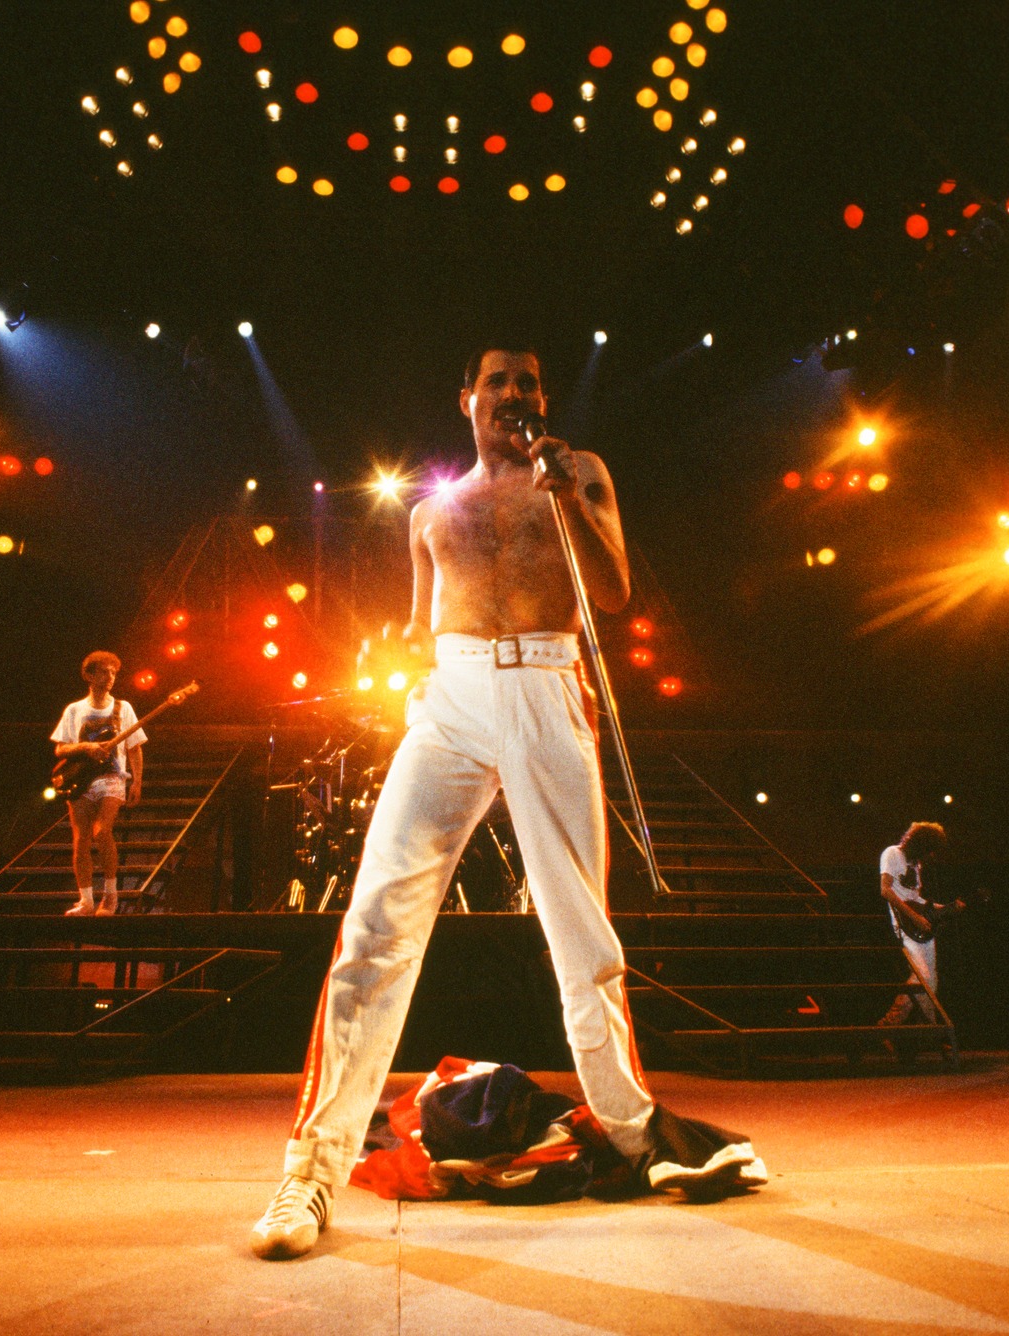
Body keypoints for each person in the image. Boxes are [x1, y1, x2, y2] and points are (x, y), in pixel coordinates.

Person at [250, 347, 761, 1261]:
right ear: (468, 401)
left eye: (529, 382)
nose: (516, 394)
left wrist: (569, 497)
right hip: (450, 696)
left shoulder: (580, 473)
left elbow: (613, 590)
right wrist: (406, 671)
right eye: (500, 382)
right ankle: (311, 1171)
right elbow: (420, 624)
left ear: (542, 399)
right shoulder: (429, 512)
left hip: (545, 681)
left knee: (581, 932)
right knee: (375, 926)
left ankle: (635, 1133)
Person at [51, 651, 145, 917]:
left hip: (112, 777)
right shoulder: (75, 710)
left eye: (114, 672)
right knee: (80, 839)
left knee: (102, 831)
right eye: (104, 671)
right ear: (89, 675)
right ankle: (86, 900)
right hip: (82, 779)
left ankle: (111, 895)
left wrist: (137, 782)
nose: (110, 677)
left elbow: (135, 747)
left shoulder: (123, 708)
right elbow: (61, 749)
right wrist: (87, 747)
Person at [877, 821, 952, 1027]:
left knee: (930, 981)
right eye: (929, 850)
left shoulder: (915, 865)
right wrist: (914, 917)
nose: (931, 856)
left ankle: (928, 1026)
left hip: (919, 927)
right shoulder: (893, 854)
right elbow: (885, 890)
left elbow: (915, 898)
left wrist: (945, 907)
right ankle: (889, 1024)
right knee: (922, 977)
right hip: (905, 925)